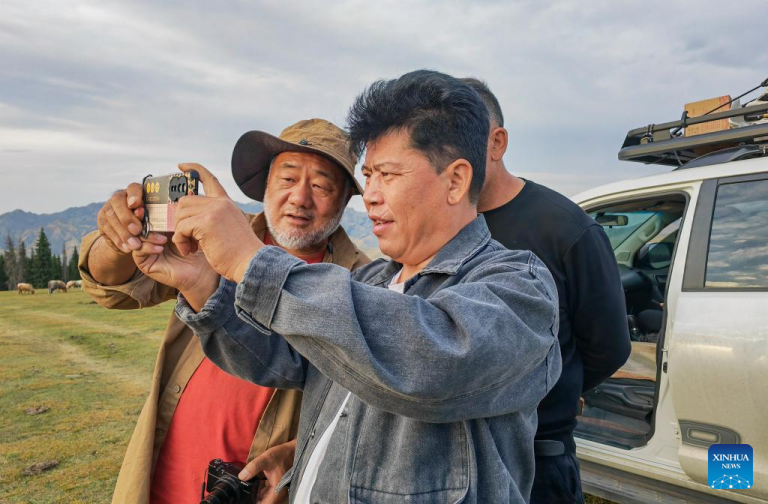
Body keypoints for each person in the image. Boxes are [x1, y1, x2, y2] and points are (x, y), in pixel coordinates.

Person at [144, 70, 562, 503]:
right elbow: (280, 357)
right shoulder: (368, 281)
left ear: (455, 181)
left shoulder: (519, 287)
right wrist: (202, 284)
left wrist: (251, 261)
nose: (372, 195)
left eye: (388, 174)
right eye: (369, 175)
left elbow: (429, 359)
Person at [79, 119, 369, 504]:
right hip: (165, 477)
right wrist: (118, 239)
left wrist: (300, 452)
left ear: (345, 197)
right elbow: (112, 289)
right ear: (267, 183)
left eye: (321, 185)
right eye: (287, 178)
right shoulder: (210, 238)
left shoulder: (363, 282)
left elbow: (366, 408)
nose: (300, 197)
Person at [463, 77, 631, 504]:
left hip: (539, 463)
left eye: (458, 139)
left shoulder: (567, 229)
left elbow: (608, 347)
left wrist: (551, 389)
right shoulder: (446, 227)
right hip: (452, 458)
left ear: (496, 143)